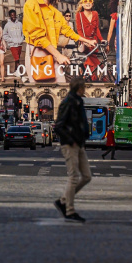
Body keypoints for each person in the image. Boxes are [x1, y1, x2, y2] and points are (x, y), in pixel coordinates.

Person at [22, 0, 96, 85]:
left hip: (52, 51)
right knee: (42, 90)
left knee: (61, 85)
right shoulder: (31, 3)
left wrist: (86, 41)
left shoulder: (54, 11)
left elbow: (67, 30)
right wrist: (59, 55)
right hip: (37, 52)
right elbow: (38, 36)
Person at [53, 78, 91, 223]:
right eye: (84, 87)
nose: (85, 89)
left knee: (87, 176)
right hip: (70, 144)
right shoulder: (68, 102)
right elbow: (58, 126)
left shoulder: (78, 102)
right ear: (79, 88)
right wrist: (71, 140)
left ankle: (63, 200)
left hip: (79, 143)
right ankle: (69, 211)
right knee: (74, 176)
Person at [74, 0, 103, 79]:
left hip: (94, 43)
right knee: (92, 66)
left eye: (90, 1)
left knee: (95, 67)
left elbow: (97, 28)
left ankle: (88, 80)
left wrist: (101, 40)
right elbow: (79, 30)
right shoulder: (79, 15)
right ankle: (89, 82)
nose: (88, 3)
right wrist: (85, 42)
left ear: (92, 3)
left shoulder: (95, 14)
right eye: (85, 1)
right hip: (85, 43)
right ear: (82, 4)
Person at [3, 10, 24, 76]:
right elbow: (4, 36)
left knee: (17, 59)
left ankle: (15, 71)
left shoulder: (20, 24)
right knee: (17, 59)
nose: (14, 16)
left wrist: (21, 39)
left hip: (19, 44)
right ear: (10, 16)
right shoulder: (7, 25)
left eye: (14, 15)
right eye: (12, 15)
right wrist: (12, 40)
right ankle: (21, 75)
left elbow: (23, 33)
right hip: (12, 45)